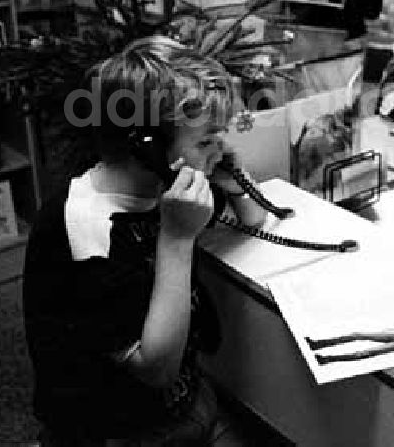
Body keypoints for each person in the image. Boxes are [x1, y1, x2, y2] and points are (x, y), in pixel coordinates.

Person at [23, 36, 268, 445]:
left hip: (188, 401)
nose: (220, 148)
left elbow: (255, 219)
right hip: (119, 428)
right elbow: (156, 370)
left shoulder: (163, 185)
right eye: (206, 140)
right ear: (146, 146)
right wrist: (176, 239)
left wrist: (233, 181)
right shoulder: (85, 230)